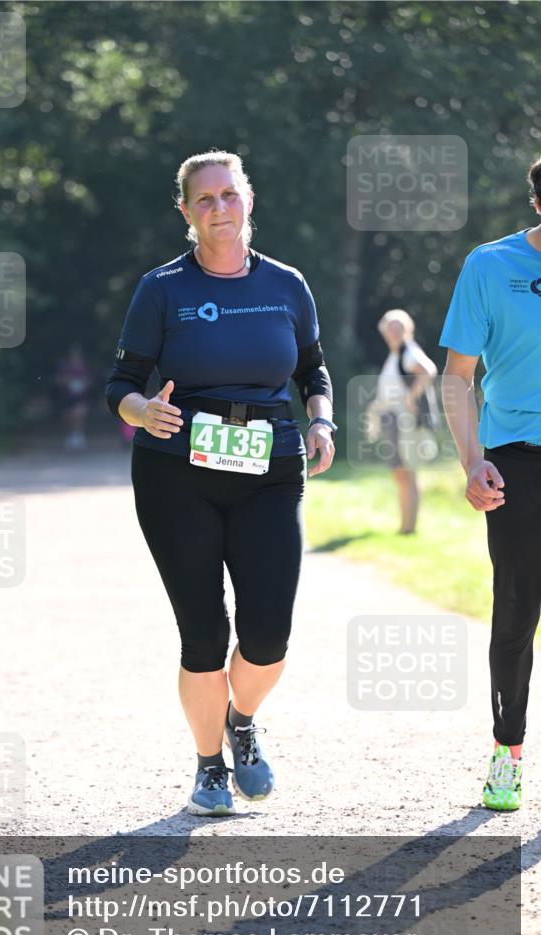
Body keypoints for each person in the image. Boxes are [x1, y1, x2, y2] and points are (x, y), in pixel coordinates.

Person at [105, 150, 335, 816]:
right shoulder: (162, 289)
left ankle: (240, 720)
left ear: (248, 201)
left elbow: (312, 372)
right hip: (176, 471)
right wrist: (141, 410)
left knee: (267, 633)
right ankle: (208, 764)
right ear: (185, 212)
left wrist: (321, 424)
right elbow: (120, 385)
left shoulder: (287, 284)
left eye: (229, 195)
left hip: (268, 471)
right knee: (203, 631)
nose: (219, 209)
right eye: (203, 200)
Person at [439, 156, 541, 811]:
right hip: (517, 459)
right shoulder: (489, 265)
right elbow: (456, 376)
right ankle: (506, 754)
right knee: (516, 613)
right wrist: (471, 459)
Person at [367, 310, 438, 534]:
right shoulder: (397, 355)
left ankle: (408, 529)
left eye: (399, 327)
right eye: (391, 328)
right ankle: (405, 527)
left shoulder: (408, 352)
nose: (394, 332)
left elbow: (428, 371)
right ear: (384, 332)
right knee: (402, 474)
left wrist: (411, 397)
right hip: (395, 421)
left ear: (408, 329)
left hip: (404, 422)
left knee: (407, 473)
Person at [56, 344, 93, 450]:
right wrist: (67, 381)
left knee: (79, 414)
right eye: (73, 356)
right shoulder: (65, 367)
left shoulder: (85, 368)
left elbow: (89, 381)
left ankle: (79, 435)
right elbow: (58, 380)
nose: (75, 358)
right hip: (68, 397)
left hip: (81, 397)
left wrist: (84, 383)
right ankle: (70, 435)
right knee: (68, 417)